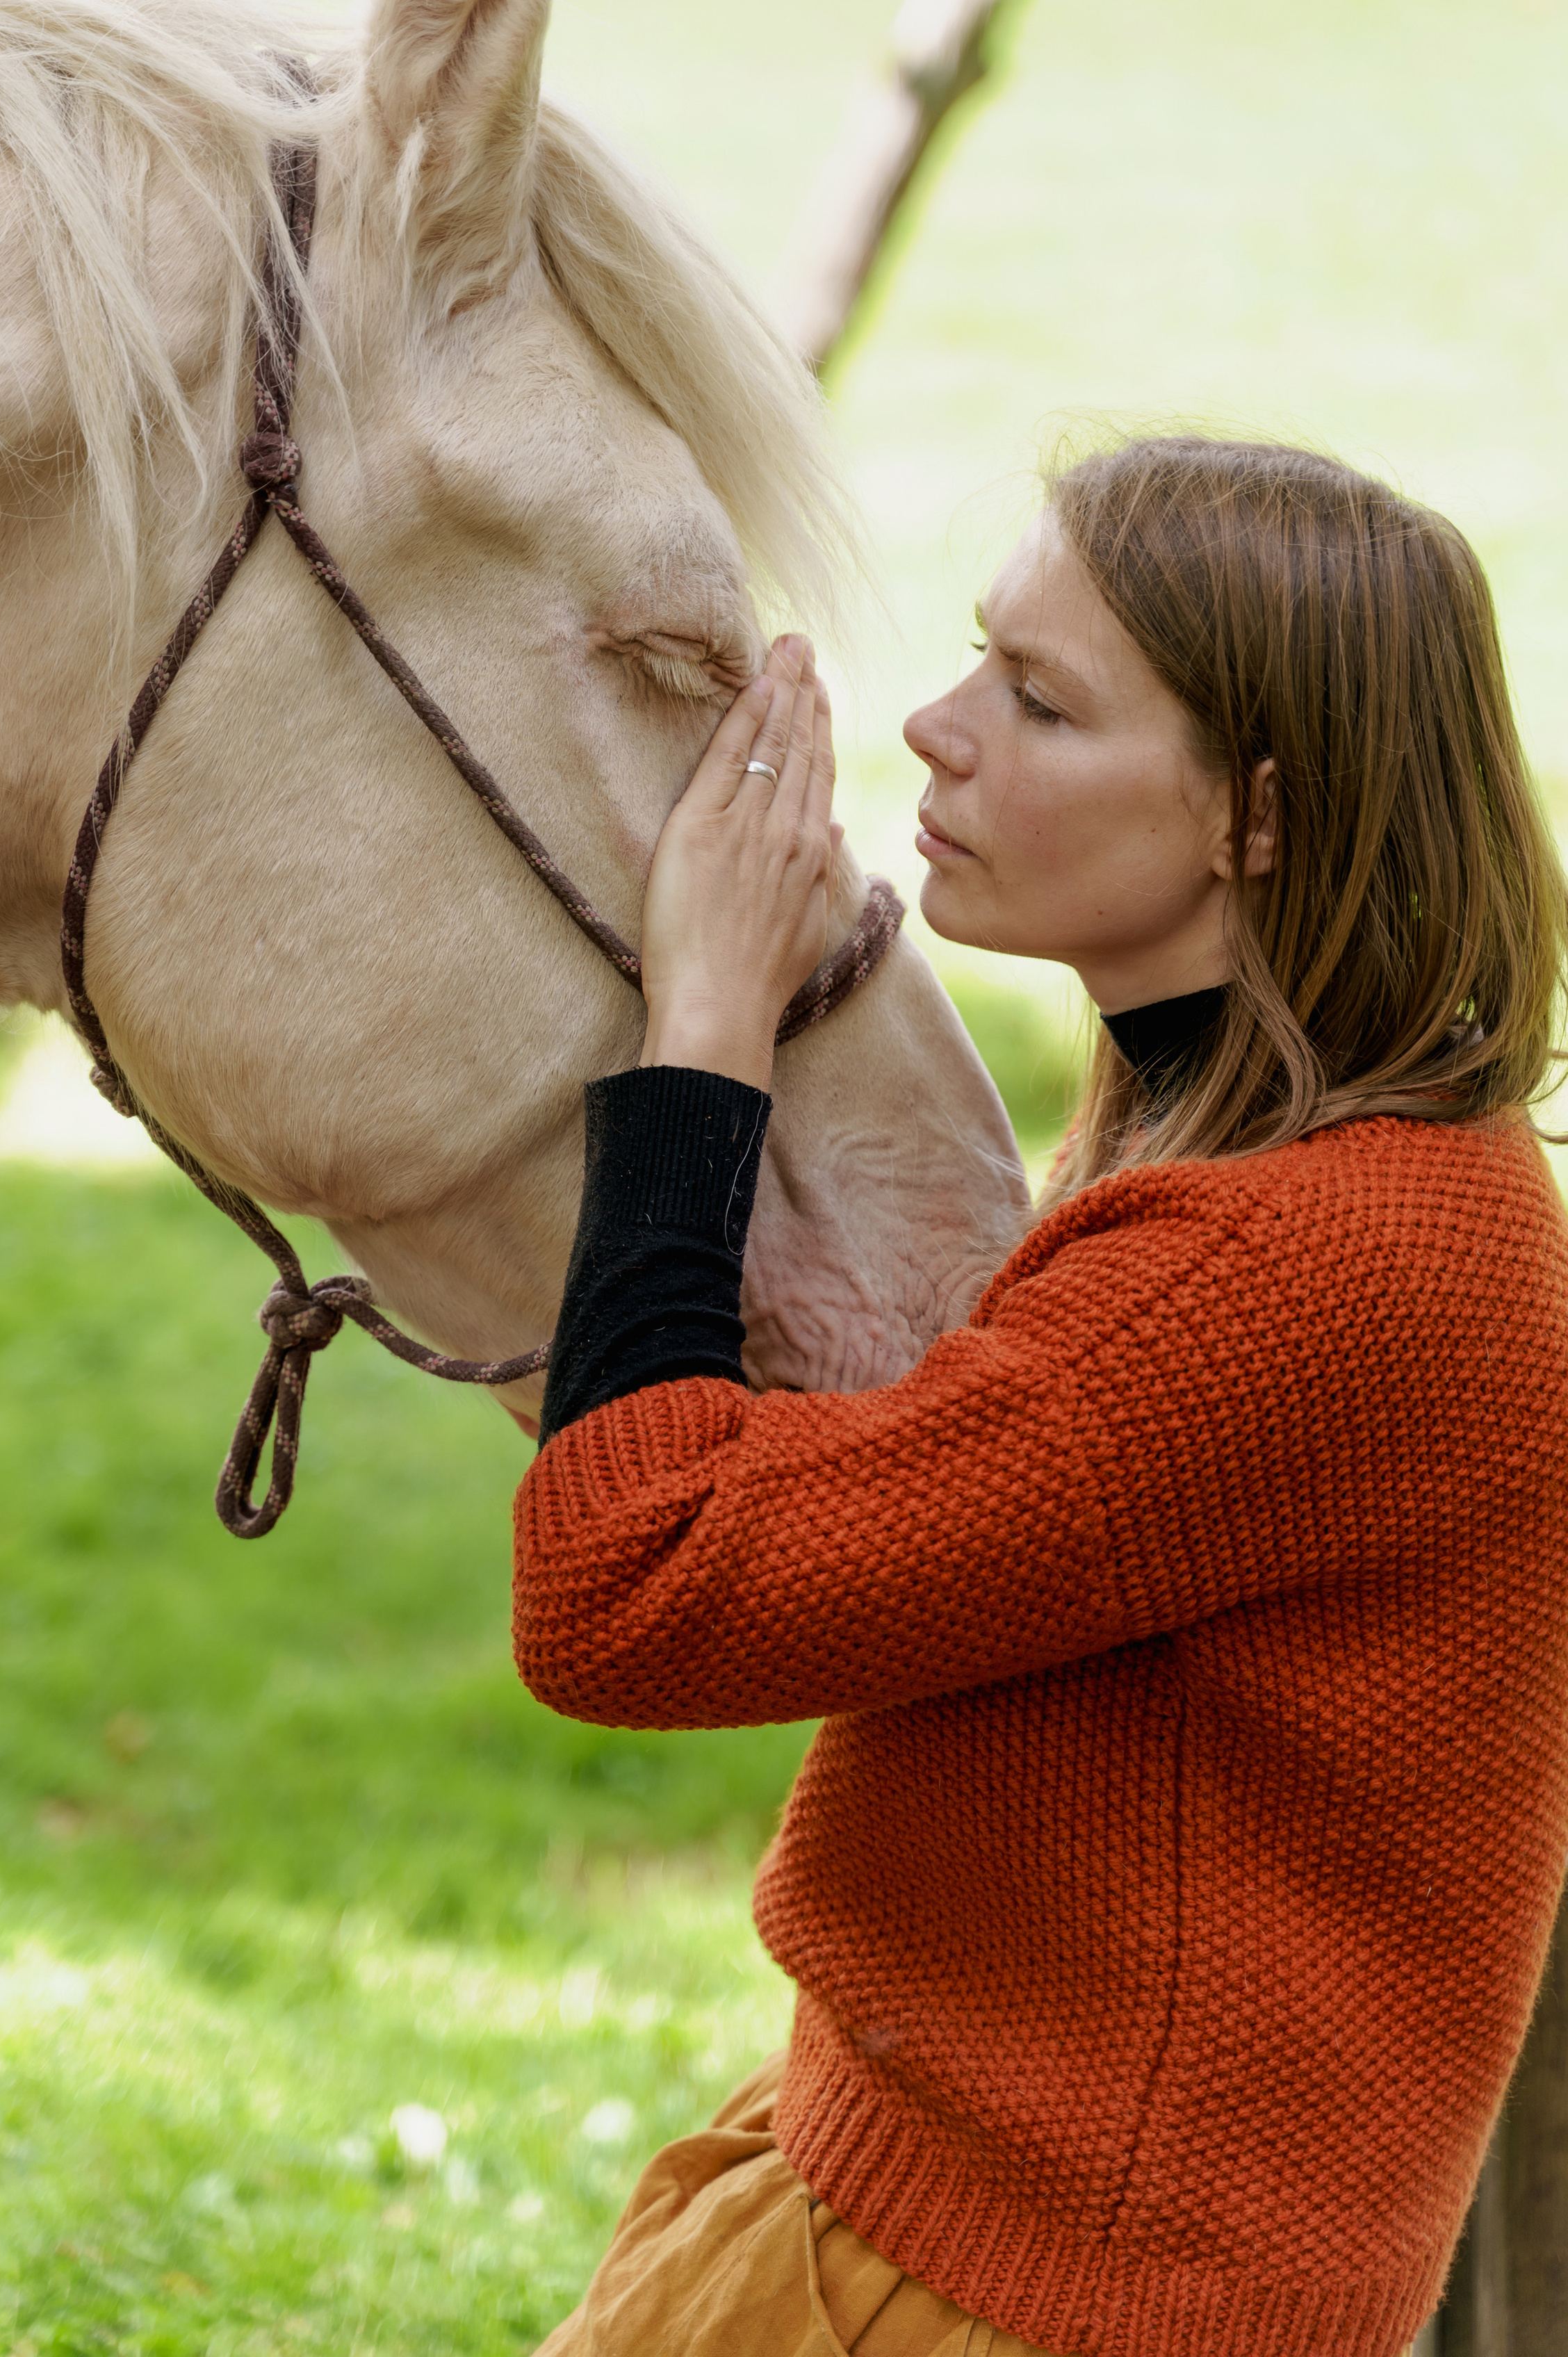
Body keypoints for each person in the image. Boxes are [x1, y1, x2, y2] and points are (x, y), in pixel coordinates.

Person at [518, 435, 1568, 2357]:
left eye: (1041, 700)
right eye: (978, 654)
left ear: (1258, 819)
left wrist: (704, 1032)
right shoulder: (1348, 1150)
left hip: (1012, 2296)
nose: (937, 727)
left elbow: (632, 1586)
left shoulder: (1289, 1269)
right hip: (982, 2213)